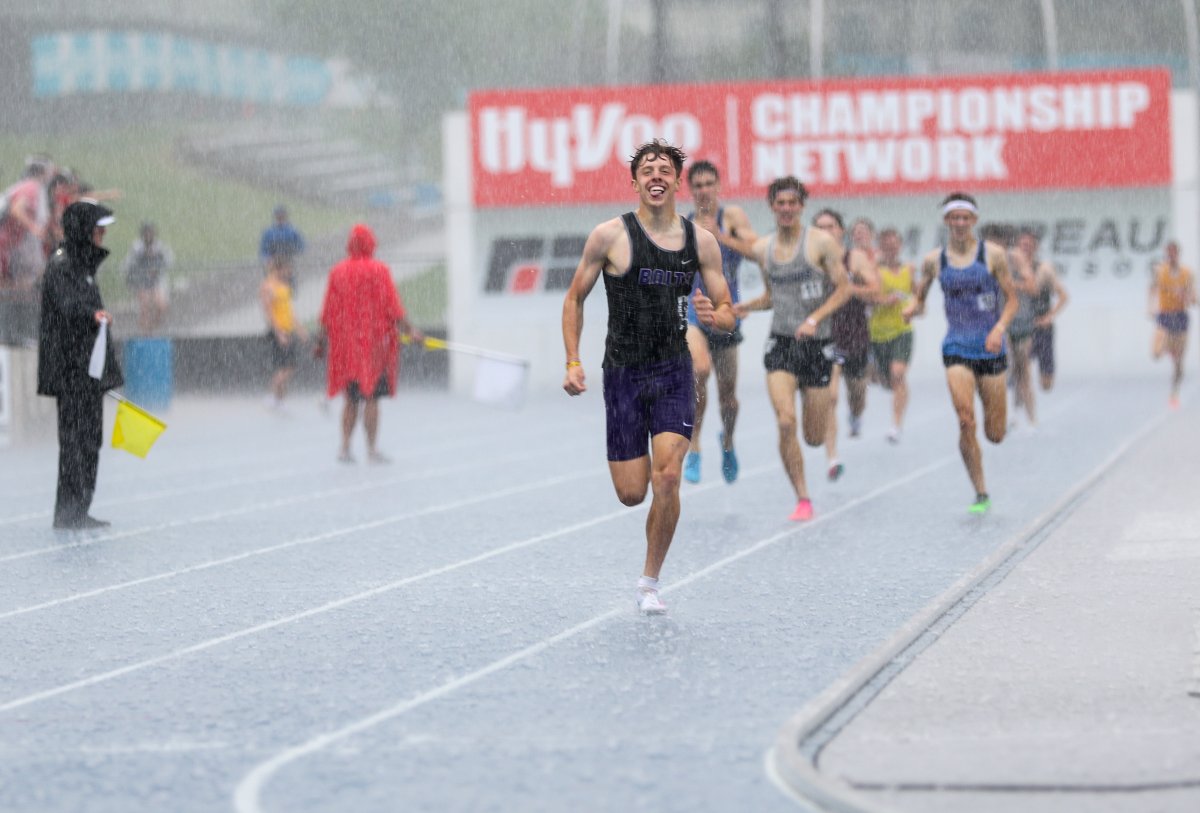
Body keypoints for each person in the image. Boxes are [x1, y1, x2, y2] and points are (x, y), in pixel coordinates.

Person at [562, 139, 733, 615]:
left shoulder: (701, 242)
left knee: (669, 476)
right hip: (623, 374)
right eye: (647, 170)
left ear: (677, 182)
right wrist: (573, 360)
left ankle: (649, 582)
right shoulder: (609, 236)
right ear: (635, 181)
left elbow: (727, 314)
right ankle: (648, 568)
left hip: (673, 372)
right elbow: (574, 298)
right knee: (632, 493)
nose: (656, 176)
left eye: (664, 170)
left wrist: (714, 315)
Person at [735, 177, 850, 522]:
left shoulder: (821, 243)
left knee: (813, 437)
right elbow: (771, 297)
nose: (786, 209)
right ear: (772, 206)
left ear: (802, 206)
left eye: (792, 203)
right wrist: (746, 307)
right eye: (780, 203)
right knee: (786, 422)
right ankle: (802, 497)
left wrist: (815, 318)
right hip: (782, 345)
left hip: (817, 346)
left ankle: (814, 453)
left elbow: (844, 289)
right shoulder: (764, 249)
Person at [904, 193, 1018, 514]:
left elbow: (1012, 300)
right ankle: (980, 491)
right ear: (946, 221)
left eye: (965, 217)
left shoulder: (992, 255)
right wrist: (912, 308)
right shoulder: (934, 260)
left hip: (990, 347)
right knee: (966, 419)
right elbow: (921, 297)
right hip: (956, 346)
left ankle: (993, 435)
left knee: (995, 433)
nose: (959, 223)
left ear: (974, 221)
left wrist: (998, 329)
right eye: (953, 217)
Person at [36, 200, 123, 530]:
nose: (102, 234)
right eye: (98, 228)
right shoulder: (62, 265)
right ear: (84, 231)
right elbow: (67, 307)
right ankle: (68, 512)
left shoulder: (83, 267)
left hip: (88, 370)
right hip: (70, 370)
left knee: (90, 441)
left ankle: (81, 508)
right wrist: (92, 315)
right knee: (74, 442)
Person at [314, 223, 422, 463]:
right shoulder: (379, 270)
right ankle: (372, 450)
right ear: (371, 244)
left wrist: (321, 341)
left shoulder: (337, 272)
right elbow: (394, 308)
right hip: (375, 348)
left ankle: (344, 448)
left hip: (347, 349)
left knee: (351, 399)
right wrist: (411, 331)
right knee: (371, 397)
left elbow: (328, 311)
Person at [681, 160, 758, 485]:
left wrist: (719, 237)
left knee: (728, 397)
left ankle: (727, 440)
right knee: (699, 371)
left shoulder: (732, 217)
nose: (703, 190)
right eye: (697, 185)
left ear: (718, 186)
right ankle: (695, 446)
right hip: (695, 314)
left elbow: (756, 251)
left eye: (708, 183)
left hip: (726, 314)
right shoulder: (680, 224)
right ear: (690, 189)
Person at [813, 210, 878, 480]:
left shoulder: (855, 258)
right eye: (820, 228)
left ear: (841, 231)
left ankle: (856, 414)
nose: (826, 232)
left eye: (831, 226)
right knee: (830, 396)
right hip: (827, 335)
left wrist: (849, 289)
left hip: (855, 334)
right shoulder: (812, 261)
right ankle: (832, 458)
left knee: (857, 393)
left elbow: (876, 291)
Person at [868, 227, 915, 443]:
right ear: (880, 248)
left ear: (900, 246)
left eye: (894, 245)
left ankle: (896, 425)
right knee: (884, 380)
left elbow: (917, 297)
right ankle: (884, 380)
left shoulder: (910, 270)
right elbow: (867, 297)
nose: (890, 249)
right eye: (886, 246)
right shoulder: (873, 270)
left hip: (902, 331)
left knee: (898, 374)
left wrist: (914, 308)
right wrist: (883, 300)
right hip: (878, 333)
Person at [1018, 229, 1068, 393]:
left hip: (1042, 327)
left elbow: (1063, 296)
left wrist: (1049, 316)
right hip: (1022, 327)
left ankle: (1040, 380)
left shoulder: (1044, 269)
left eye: (1029, 244)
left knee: (1046, 383)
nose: (1026, 248)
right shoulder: (1011, 269)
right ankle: (1022, 403)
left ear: (1036, 247)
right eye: (1022, 244)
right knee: (1021, 371)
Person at [1148, 240, 1194, 410]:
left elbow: (1195, 298)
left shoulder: (1187, 273)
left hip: (1180, 316)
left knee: (1179, 365)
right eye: (1168, 253)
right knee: (1156, 353)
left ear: (1178, 255)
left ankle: (1174, 393)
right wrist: (1151, 307)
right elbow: (1151, 289)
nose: (1171, 256)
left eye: (1174, 253)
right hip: (1165, 315)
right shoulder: (1160, 272)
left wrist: (1186, 297)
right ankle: (1169, 348)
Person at [261, 254, 306, 410]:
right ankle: (271, 394)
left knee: (286, 366)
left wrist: (299, 328)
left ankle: (279, 400)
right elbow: (269, 312)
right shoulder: (268, 286)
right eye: (287, 269)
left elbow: (289, 311)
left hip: (288, 329)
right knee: (287, 366)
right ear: (279, 269)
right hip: (280, 331)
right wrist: (278, 332)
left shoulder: (284, 286)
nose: (289, 272)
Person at [122, 221, 173, 335]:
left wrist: (157, 268)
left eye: (151, 233)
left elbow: (168, 261)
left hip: (155, 282)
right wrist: (138, 274)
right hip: (141, 282)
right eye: (147, 233)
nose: (149, 236)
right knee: (144, 306)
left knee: (161, 305)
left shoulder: (159, 247)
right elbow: (127, 265)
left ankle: (154, 328)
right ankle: (145, 332)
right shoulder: (137, 248)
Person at [260, 204, 305, 283]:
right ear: (275, 217)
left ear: (285, 217)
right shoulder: (269, 232)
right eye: (278, 216)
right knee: (270, 279)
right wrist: (267, 258)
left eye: (282, 216)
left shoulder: (292, 231)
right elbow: (264, 248)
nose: (280, 219)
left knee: (289, 278)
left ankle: (290, 290)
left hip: (287, 259)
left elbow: (301, 245)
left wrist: (294, 252)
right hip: (273, 260)